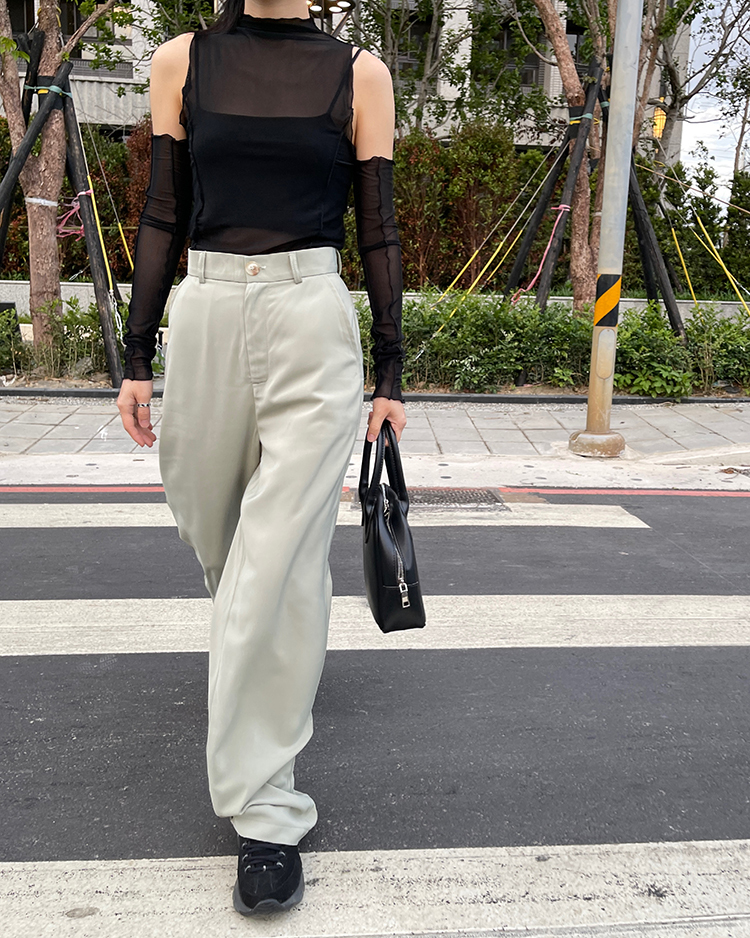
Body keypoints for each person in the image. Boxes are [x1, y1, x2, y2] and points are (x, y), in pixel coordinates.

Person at [116, 0, 407, 918]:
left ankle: (266, 812)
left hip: (310, 317)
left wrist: (391, 371)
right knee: (217, 534)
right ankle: (273, 654)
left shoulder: (360, 73)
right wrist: (135, 354)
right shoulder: (180, 61)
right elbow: (163, 211)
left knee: (274, 557)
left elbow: (378, 228)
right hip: (205, 311)